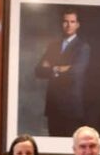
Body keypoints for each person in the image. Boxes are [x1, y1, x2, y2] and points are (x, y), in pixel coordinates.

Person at [35, 7, 90, 137]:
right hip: (53, 106)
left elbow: (76, 72)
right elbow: (39, 71)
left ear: (77, 24)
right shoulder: (53, 46)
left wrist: (51, 68)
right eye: (65, 21)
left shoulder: (83, 47)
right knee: (53, 142)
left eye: (72, 22)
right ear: (61, 23)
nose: (68, 25)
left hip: (71, 107)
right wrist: (60, 68)